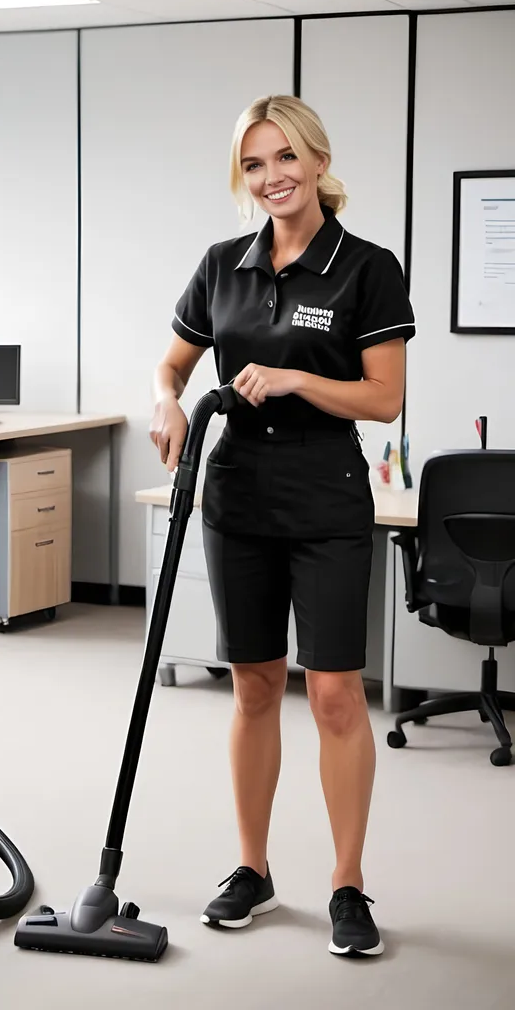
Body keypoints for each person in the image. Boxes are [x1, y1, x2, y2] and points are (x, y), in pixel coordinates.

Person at [149, 94, 414, 958]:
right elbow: (174, 360)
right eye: (255, 163)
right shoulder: (224, 263)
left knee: (334, 694)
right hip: (239, 494)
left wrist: (296, 379)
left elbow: (385, 398)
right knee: (254, 683)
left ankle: (348, 884)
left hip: (327, 494)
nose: (273, 177)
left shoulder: (365, 266)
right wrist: (169, 403)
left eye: (286, 158)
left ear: (318, 160)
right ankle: (254, 871)